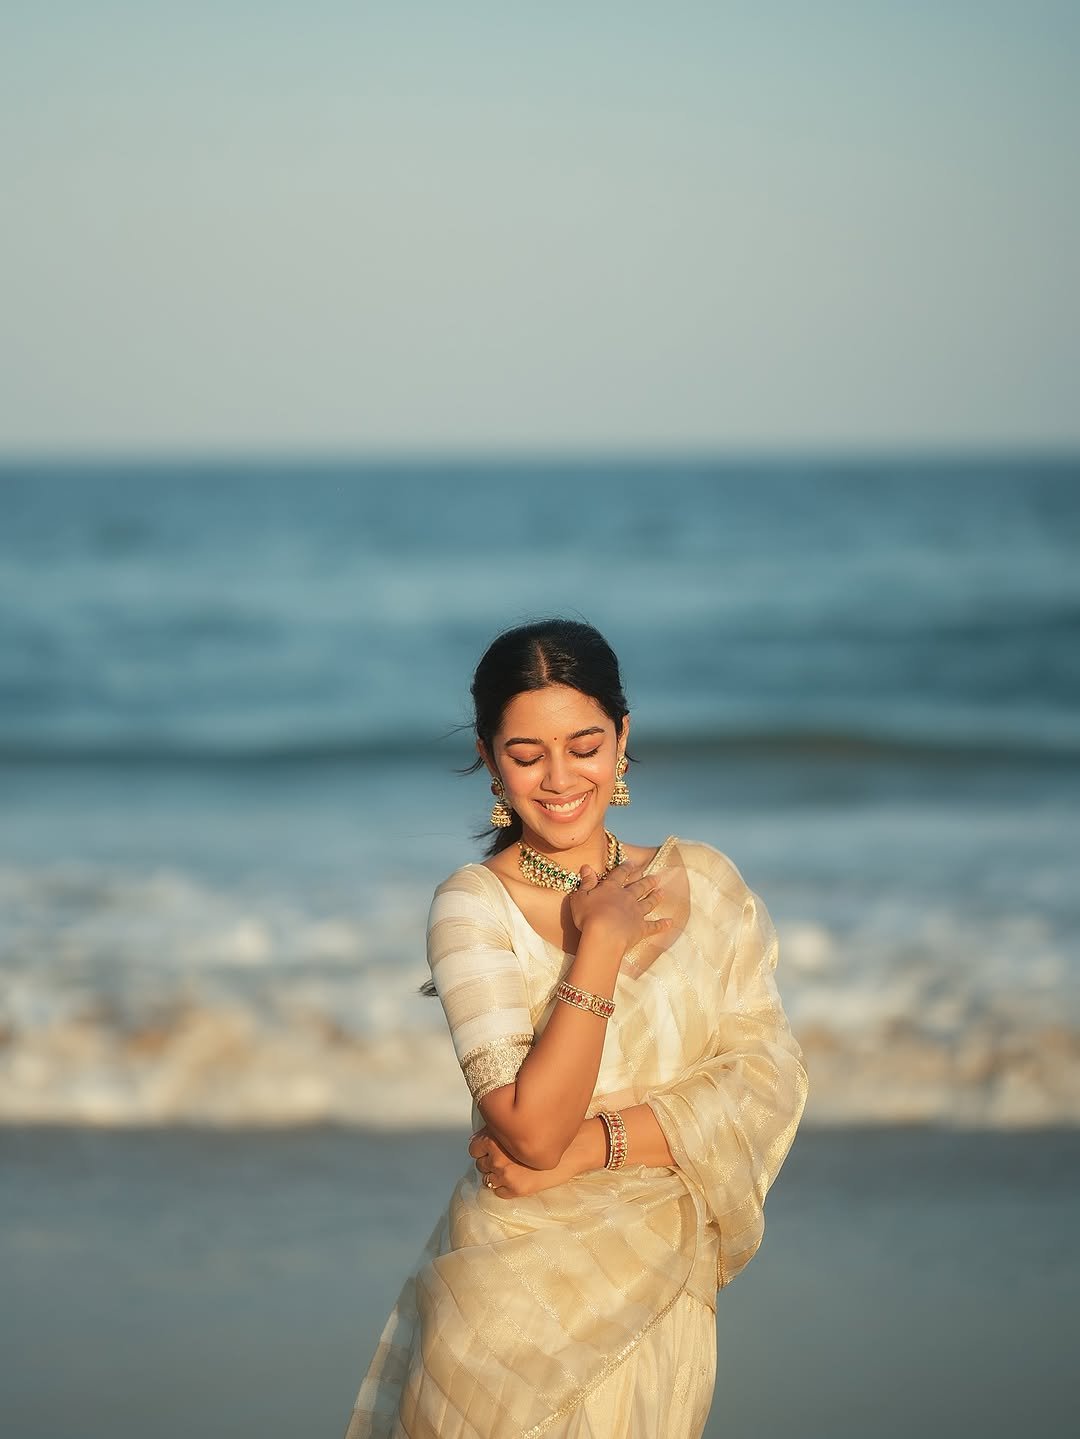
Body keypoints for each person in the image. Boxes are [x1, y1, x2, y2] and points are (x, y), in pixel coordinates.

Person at [343, 618, 808, 1439]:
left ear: (622, 739)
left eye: (584, 746)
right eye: (527, 755)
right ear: (490, 759)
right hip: (507, 1330)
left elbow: (766, 1084)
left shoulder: (705, 884)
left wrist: (590, 1150)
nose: (559, 778)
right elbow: (530, 1131)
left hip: (659, 1305)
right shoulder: (473, 907)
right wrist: (600, 940)